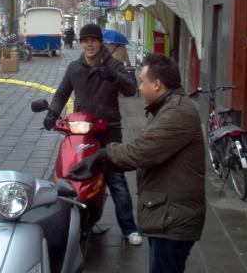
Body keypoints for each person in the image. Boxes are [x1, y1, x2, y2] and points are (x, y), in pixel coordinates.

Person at [68, 53, 206, 273]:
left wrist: (102, 157)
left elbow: (141, 151)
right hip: (165, 213)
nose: (140, 88)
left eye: (143, 82)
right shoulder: (166, 107)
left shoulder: (177, 113)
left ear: (157, 84)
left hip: (172, 219)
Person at [45, 23, 142, 246]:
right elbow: (61, 94)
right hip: (81, 130)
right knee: (68, 173)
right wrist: (52, 114)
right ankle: (63, 219)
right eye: (85, 40)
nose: (89, 44)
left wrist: (113, 76)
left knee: (115, 178)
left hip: (108, 130)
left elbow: (131, 89)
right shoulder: (74, 68)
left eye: (93, 40)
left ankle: (129, 228)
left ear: (100, 42)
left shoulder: (114, 65)